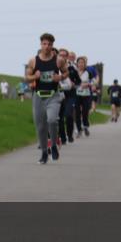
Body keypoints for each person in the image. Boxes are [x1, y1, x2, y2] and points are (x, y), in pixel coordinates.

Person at [24, 33, 65, 164]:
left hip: (53, 95)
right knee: (41, 127)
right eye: (44, 44)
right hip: (38, 96)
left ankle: (53, 145)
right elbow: (27, 77)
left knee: (52, 120)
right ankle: (43, 153)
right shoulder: (33, 61)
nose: (47, 47)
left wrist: (60, 77)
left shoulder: (58, 60)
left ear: (52, 46)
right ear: (41, 44)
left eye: (49, 44)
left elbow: (66, 72)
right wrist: (34, 77)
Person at [56, 47, 80, 145]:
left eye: (64, 55)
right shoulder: (55, 67)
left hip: (70, 95)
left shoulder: (72, 68)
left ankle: (69, 135)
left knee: (68, 115)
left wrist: (74, 83)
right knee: (59, 118)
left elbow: (78, 80)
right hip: (59, 94)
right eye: (60, 55)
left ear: (67, 57)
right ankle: (62, 137)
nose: (62, 57)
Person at [75, 56, 93, 137]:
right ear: (77, 64)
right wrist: (77, 84)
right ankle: (79, 130)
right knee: (77, 113)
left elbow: (93, 82)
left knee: (85, 112)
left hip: (86, 95)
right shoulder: (74, 72)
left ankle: (85, 127)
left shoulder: (88, 73)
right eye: (79, 62)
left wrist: (88, 84)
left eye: (83, 63)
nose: (81, 64)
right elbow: (71, 82)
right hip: (76, 95)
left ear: (85, 64)